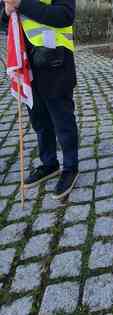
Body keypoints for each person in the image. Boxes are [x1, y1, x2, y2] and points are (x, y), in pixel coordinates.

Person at [1, 0, 79, 200]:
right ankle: (49, 163)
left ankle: (70, 167)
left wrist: (21, 4)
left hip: (55, 59)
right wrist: (6, 12)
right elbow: (4, 24)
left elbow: (64, 15)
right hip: (26, 63)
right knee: (39, 120)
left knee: (62, 120)